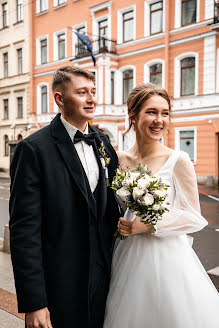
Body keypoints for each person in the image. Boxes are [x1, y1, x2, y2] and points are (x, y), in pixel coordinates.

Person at [9, 65, 120, 328]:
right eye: (82, 92)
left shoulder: (102, 143)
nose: (92, 99)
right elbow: (25, 231)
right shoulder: (33, 149)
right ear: (59, 98)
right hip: (58, 287)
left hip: (103, 281)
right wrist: (35, 302)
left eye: (93, 91)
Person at [103, 83, 219, 328]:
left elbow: (193, 216)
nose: (160, 120)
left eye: (165, 113)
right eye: (151, 112)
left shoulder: (178, 160)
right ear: (133, 115)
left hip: (167, 258)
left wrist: (148, 225)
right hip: (126, 254)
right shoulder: (119, 159)